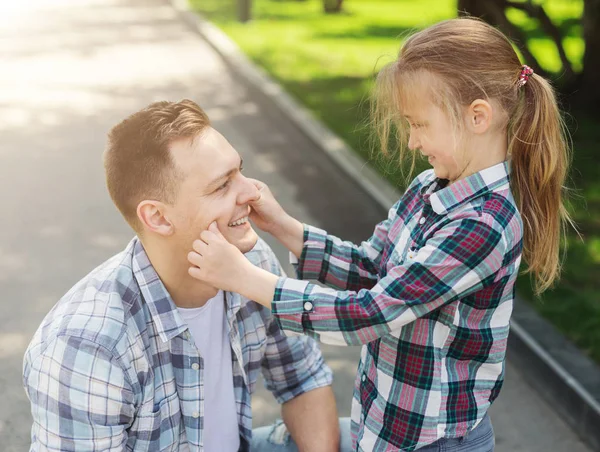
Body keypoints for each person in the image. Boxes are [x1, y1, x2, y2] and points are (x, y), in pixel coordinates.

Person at [186, 18, 573, 451]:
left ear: (477, 116)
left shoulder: (483, 225)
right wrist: (284, 227)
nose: (411, 141)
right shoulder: (429, 187)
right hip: (385, 429)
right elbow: (373, 268)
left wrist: (246, 279)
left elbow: (372, 313)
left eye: (419, 124)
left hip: (432, 443)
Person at [23, 100, 348, 451]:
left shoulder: (250, 263)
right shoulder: (87, 347)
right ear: (159, 218)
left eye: (240, 170)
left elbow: (303, 380)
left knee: (358, 437)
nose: (252, 192)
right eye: (222, 186)